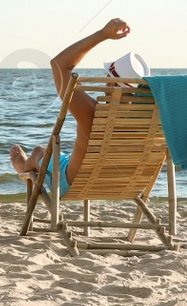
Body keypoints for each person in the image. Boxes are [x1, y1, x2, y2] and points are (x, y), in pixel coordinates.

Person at [9, 18, 132, 193]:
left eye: (107, 77)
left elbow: (59, 65)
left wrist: (103, 34)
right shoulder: (154, 116)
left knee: (38, 152)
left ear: (112, 84)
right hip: (124, 186)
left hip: (74, 184)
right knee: (63, 155)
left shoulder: (93, 113)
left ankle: (23, 167)